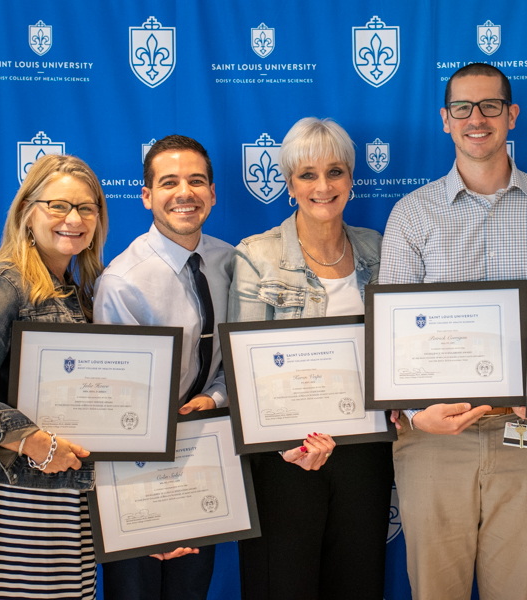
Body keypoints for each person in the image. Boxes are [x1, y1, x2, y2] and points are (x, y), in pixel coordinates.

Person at [379, 63, 527, 599]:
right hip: (433, 437)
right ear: (445, 120)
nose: (477, 119)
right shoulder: (411, 214)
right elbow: (392, 338)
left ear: (511, 115)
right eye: (463, 108)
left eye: (490, 106)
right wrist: (416, 413)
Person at [228, 117, 384, 600]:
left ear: (351, 179)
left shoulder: (378, 250)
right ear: (290, 183)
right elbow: (246, 371)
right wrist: (284, 443)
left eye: (335, 172)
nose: (323, 186)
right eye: (307, 174)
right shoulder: (256, 256)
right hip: (287, 456)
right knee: (283, 585)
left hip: (366, 451)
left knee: (357, 584)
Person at [93, 135, 251, 598]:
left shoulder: (230, 262)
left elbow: (236, 357)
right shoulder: (122, 282)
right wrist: (153, 510)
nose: (185, 192)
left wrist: (215, 397)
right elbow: (118, 406)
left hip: (204, 456)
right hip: (138, 471)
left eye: (197, 181)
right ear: (146, 196)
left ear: (213, 193)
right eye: (169, 182)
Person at [0, 154, 109, 598]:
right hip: (19, 503)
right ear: (26, 212)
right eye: (58, 205)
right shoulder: (4, 282)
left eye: (86, 207)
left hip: (71, 501)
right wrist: (37, 443)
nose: (74, 219)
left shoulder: (80, 294)